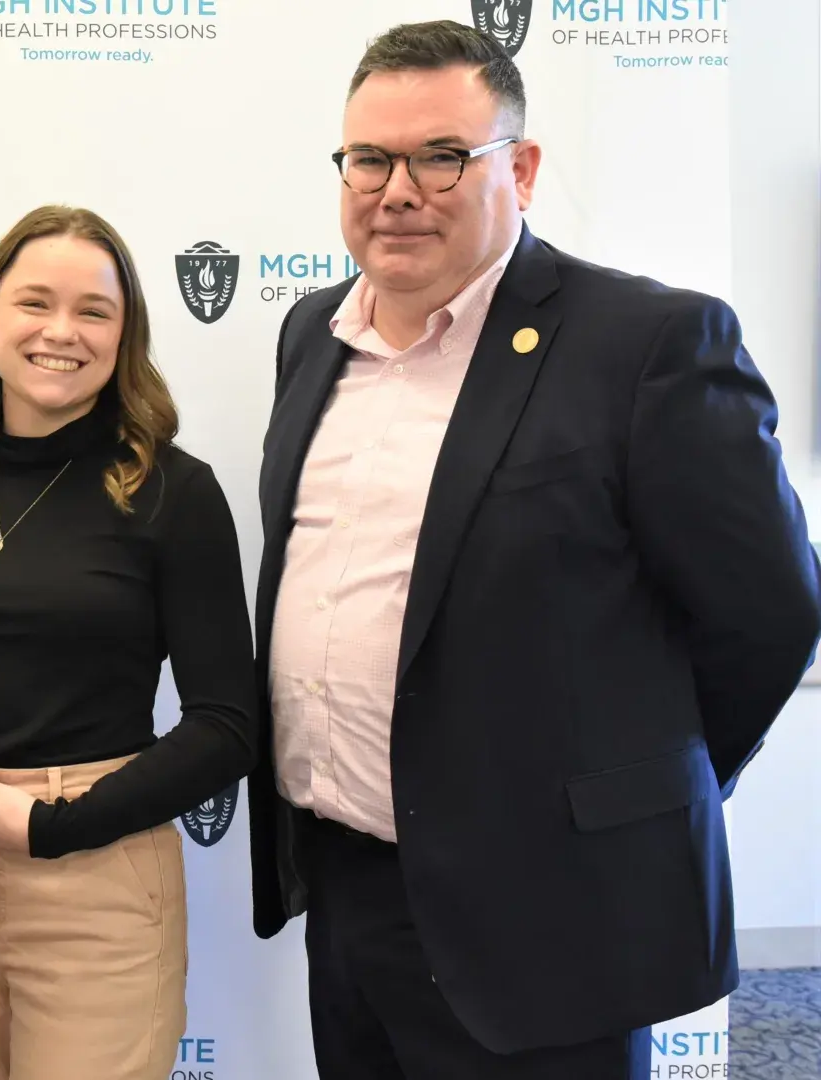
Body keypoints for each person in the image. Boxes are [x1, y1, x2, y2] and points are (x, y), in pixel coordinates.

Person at [249, 21, 821, 1080]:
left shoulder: (646, 345)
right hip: (350, 890)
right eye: (369, 159)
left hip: (550, 914)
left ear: (521, 168)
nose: (397, 189)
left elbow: (770, 614)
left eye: (441, 156)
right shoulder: (312, 333)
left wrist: (634, 791)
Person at [0, 205, 258, 1080]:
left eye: (94, 311)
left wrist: (58, 826)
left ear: (126, 336)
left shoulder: (173, 490)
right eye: (34, 303)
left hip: (98, 867)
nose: (61, 331)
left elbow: (227, 727)